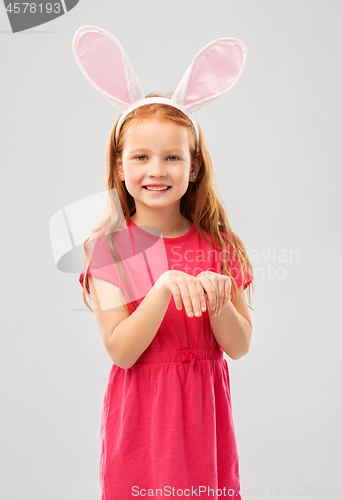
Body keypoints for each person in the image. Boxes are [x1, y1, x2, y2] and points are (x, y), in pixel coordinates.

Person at [75, 26, 255, 500]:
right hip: (144, 429)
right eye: (141, 157)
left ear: (193, 167)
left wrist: (218, 302)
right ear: (120, 165)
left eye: (172, 157)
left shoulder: (221, 245)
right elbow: (122, 351)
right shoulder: (109, 249)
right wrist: (162, 289)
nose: (157, 170)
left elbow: (239, 347)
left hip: (204, 428)